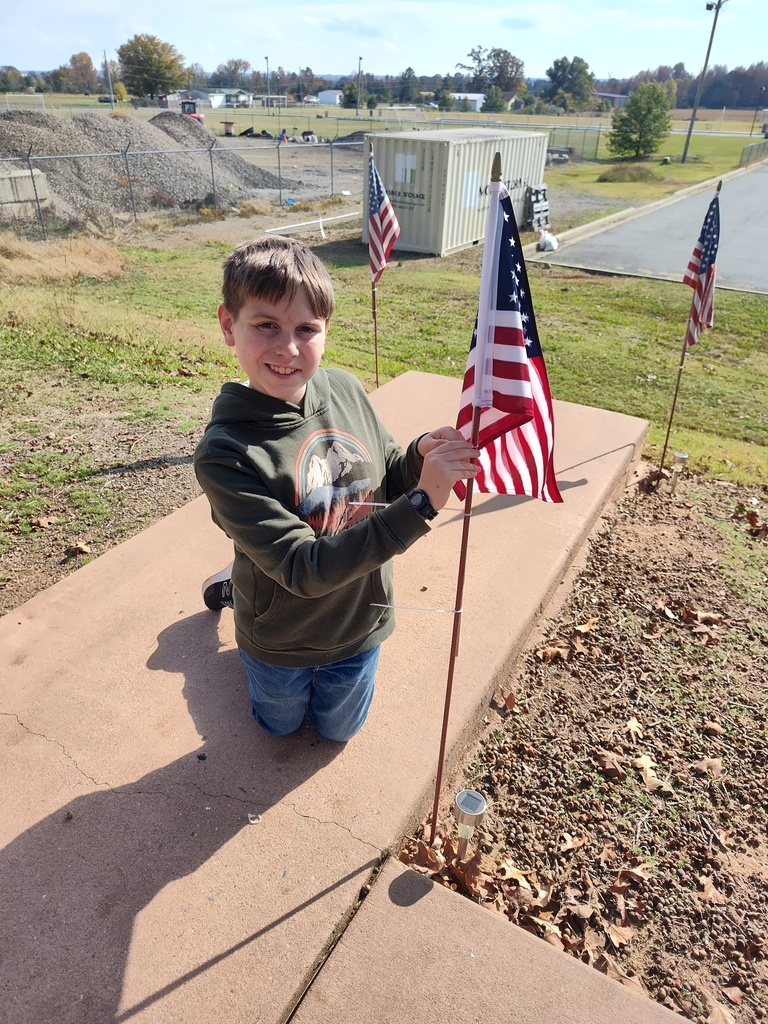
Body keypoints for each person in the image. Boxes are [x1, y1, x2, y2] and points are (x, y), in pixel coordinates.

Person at [194, 236, 478, 743]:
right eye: (266, 325)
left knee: (338, 729)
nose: (288, 348)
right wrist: (423, 504)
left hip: (359, 623)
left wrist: (418, 457)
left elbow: (385, 472)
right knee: (277, 726)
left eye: (306, 328)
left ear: (325, 330)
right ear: (227, 325)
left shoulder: (344, 388)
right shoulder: (226, 454)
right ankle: (245, 582)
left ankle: (249, 567)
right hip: (280, 637)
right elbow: (304, 570)